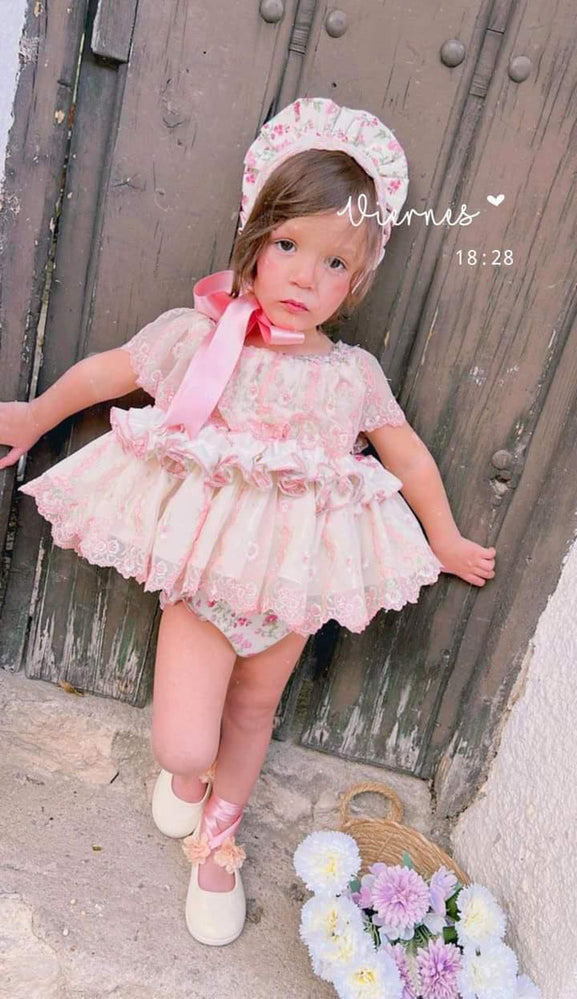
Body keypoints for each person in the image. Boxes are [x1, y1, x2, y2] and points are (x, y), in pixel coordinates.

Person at [0, 97, 496, 946]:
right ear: (255, 237)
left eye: (335, 264)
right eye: (289, 246)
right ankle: (186, 779)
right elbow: (106, 374)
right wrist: (35, 414)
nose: (305, 278)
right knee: (182, 743)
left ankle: (217, 844)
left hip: (291, 584)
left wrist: (442, 537)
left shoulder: (350, 376)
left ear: (359, 278)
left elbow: (407, 456)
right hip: (207, 579)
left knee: (251, 713)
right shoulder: (201, 338)